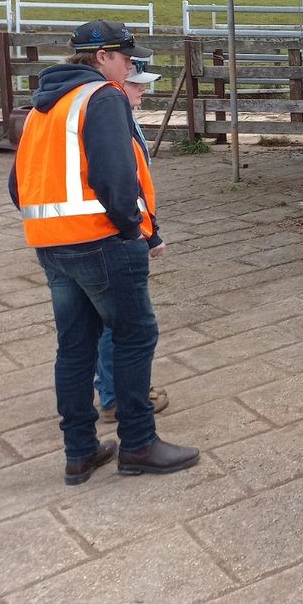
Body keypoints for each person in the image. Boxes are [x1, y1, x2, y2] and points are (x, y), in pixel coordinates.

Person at [8, 20, 199, 484]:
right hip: (102, 242)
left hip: (50, 246)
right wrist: (134, 230)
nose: (131, 66)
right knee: (135, 336)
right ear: (102, 58)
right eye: (127, 58)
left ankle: (80, 452)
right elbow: (116, 177)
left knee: (74, 347)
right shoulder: (103, 97)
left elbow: (16, 185)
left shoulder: (42, 108)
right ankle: (138, 443)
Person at [94, 62, 169, 423]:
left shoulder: (119, 115)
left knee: (101, 322)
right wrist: (143, 232)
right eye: (137, 85)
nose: (143, 91)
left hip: (97, 233)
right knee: (124, 323)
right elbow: (124, 185)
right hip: (113, 236)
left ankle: (112, 392)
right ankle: (118, 398)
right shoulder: (110, 118)